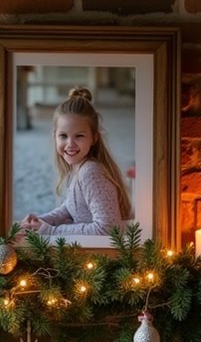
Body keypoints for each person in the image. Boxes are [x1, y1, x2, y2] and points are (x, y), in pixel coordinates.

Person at [18, 86, 131, 239]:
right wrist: (42, 221)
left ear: (94, 138)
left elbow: (108, 228)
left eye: (79, 136)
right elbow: (69, 208)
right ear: (55, 136)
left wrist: (51, 231)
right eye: (63, 136)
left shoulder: (91, 172)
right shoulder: (76, 167)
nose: (70, 144)